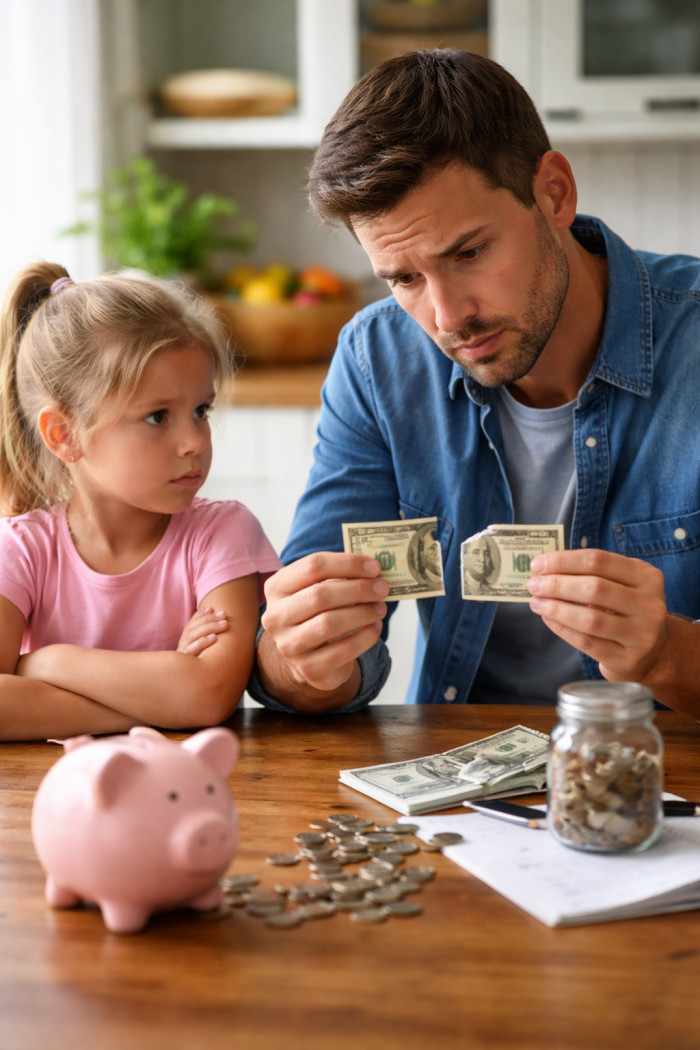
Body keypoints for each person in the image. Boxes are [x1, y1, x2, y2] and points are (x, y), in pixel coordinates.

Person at [247, 48, 700, 718]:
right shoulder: (378, 359)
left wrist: (666, 652)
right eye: (403, 279)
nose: (447, 317)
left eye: (469, 253)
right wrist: (298, 661)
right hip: (457, 787)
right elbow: (307, 673)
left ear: (553, 194)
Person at [0, 262, 281, 741]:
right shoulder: (22, 549)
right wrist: (161, 696)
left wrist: (50, 663)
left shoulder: (224, 534)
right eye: (157, 417)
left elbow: (208, 695)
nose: (194, 441)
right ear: (63, 435)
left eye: (201, 410)